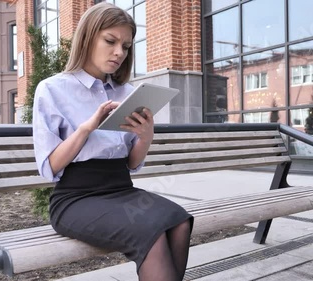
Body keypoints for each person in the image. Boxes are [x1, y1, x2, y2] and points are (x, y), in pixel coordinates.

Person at [32, 3, 193, 281]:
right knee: (150, 232)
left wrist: (145, 137)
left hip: (121, 189)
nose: (119, 52)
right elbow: (50, 167)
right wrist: (85, 129)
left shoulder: (127, 92)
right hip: (76, 198)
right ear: (87, 37)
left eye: (127, 46)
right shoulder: (52, 89)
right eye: (110, 41)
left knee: (179, 221)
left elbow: (131, 163)